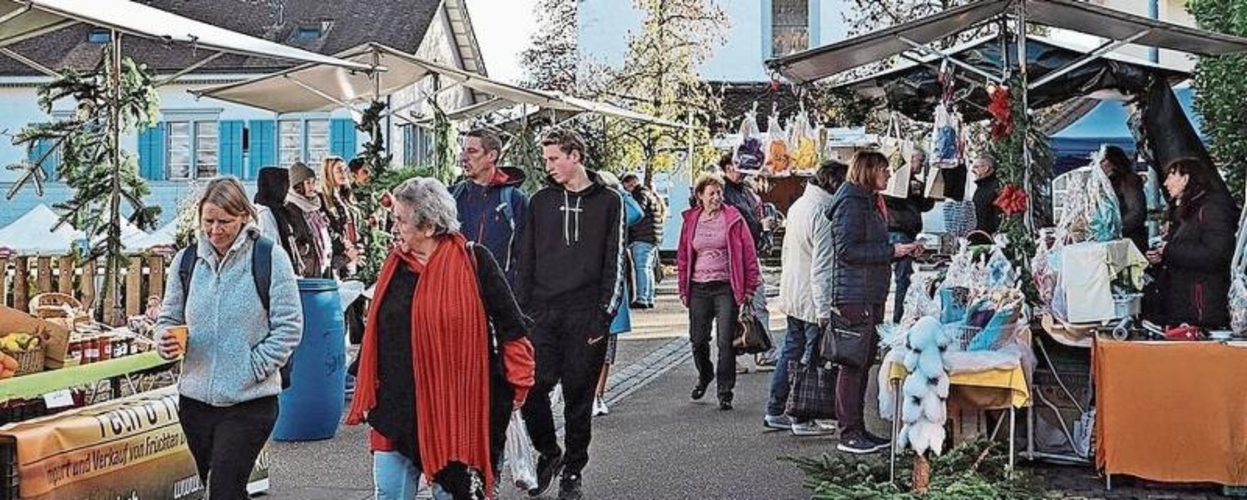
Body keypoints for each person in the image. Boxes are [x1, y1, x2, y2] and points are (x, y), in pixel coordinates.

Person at [344, 177, 536, 500]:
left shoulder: (475, 261)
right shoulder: (394, 266)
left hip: (456, 412)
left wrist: (519, 385)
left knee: (453, 493)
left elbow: (512, 328)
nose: (394, 228)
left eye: (401, 221)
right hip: (397, 409)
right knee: (390, 494)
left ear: (429, 226)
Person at [155, 176, 303, 500]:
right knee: (221, 487)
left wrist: (253, 367)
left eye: (224, 221)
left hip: (250, 401)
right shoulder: (186, 261)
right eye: (208, 221)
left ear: (243, 217)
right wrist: (164, 340)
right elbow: (168, 318)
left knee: (224, 488)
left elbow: (290, 326)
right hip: (195, 402)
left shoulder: (268, 257)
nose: (215, 229)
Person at [516, 128, 625, 500]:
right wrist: (522, 312)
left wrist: (603, 317)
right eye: (546, 159)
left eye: (553, 159)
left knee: (579, 399)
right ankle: (549, 451)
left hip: (586, 315)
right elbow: (524, 259)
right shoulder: (540, 201)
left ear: (574, 156)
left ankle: (573, 472)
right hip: (543, 314)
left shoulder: (610, 202)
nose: (548, 167)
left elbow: (616, 260)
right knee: (532, 387)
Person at [828, 151, 924, 454]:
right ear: (868, 171)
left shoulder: (867, 200)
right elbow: (847, 250)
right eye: (883, 169)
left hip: (869, 292)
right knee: (853, 363)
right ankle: (849, 432)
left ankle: (858, 429)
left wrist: (900, 249)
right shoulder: (853, 203)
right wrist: (890, 253)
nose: (887, 174)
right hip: (855, 295)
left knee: (863, 361)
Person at [765, 160, 847, 436]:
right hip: (812, 297)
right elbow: (822, 265)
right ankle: (802, 417)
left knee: (791, 350)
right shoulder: (823, 213)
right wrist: (824, 308)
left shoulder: (799, 206)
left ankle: (775, 409)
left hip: (794, 291)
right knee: (809, 359)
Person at [676, 172, 761, 411]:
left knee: (726, 342)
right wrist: (683, 287)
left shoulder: (733, 218)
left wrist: (750, 287)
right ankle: (705, 374)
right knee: (698, 340)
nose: (717, 197)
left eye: (719, 193)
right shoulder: (691, 220)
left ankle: (725, 391)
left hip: (726, 286)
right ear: (700, 196)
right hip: (699, 288)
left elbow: (748, 254)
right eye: (711, 193)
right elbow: (683, 256)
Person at [1144, 158, 1236, 329]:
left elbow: (1217, 254)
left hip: (1201, 305)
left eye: (1171, 176)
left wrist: (1169, 250)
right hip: (1181, 300)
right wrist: (1161, 256)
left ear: (1185, 179)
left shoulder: (1211, 208)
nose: (1166, 183)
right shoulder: (1182, 209)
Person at [593, 171, 645, 417]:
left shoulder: (618, 208)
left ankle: (597, 395)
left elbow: (637, 214)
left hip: (610, 282)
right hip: (585, 285)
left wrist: (620, 191)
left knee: (606, 347)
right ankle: (586, 393)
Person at [451, 129, 529, 286]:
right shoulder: (452, 197)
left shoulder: (514, 200)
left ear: (491, 156)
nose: (463, 158)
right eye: (463, 151)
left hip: (500, 294)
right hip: (458, 290)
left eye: (472, 151)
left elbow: (527, 254)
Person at [718, 153, 775, 369]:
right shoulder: (722, 192)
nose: (740, 169)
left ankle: (764, 350)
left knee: (758, 303)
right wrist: (760, 227)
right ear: (725, 168)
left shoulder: (747, 191)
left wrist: (763, 226)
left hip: (751, 255)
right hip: (732, 257)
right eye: (735, 165)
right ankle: (733, 356)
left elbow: (751, 220)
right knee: (733, 308)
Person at [884, 149, 935, 323]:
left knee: (903, 278)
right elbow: (889, 200)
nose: (921, 165)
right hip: (897, 232)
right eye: (920, 161)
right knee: (902, 278)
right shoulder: (895, 180)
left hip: (907, 232)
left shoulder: (915, 183)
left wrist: (925, 190)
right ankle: (898, 319)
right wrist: (908, 189)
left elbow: (925, 205)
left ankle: (899, 317)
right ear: (911, 160)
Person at [621, 172, 664, 309]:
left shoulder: (639, 195)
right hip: (652, 236)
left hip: (642, 236)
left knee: (642, 267)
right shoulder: (649, 193)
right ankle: (649, 297)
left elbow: (637, 212)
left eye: (625, 187)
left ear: (630, 184)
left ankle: (642, 298)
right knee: (648, 267)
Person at [285, 161, 333, 278]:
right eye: (308, 183)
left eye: (313, 182)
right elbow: (292, 239)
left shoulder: (315, 205)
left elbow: (325, 230)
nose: (312, 187)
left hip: (323, 264)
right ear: (298, 185)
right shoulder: (291, 209)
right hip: (306, 269)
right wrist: (304, 249)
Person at [1101, 145, 1149, 253]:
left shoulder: (1129, 180)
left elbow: (1137, 212)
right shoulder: (1108, 182)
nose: (1100, 164)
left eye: (1103, 160)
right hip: (1120, 240)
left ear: (1112, 161)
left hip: (1130, 241)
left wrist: (1115, 229)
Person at [253, 166, 301, 274]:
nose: (287, 189)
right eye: (284, 185)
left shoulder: (281, 210)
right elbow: (270, 248)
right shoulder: (264, 213)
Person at [320, 156, 362, 279]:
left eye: (344, 170)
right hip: (338, 255)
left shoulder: (346, 197)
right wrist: (345, 246)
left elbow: (353, 225)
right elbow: (327, 229)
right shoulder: (323, 199)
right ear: (329, 173)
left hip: (352, 253)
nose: (343, 174)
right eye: (339, 170)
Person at [972, 155, 1002, 234]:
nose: (972, 170)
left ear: (986, 168)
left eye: (976, 167)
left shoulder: (996, 187)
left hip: (990, 239)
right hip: (981, 236)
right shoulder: (981, 187)